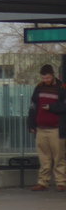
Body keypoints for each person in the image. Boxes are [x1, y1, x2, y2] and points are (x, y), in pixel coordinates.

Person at [27, 63, 66, 191]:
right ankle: (43, 182)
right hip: (41, 128)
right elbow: (33, 107)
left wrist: (51, 107)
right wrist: (31, 124)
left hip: (56, 129)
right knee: (44, 157)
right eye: (43, 78)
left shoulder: (62, 87)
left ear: (53, 75)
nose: (45, 80)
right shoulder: (38, 87)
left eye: (48, 78)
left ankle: (61, 182)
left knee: (59, 156)